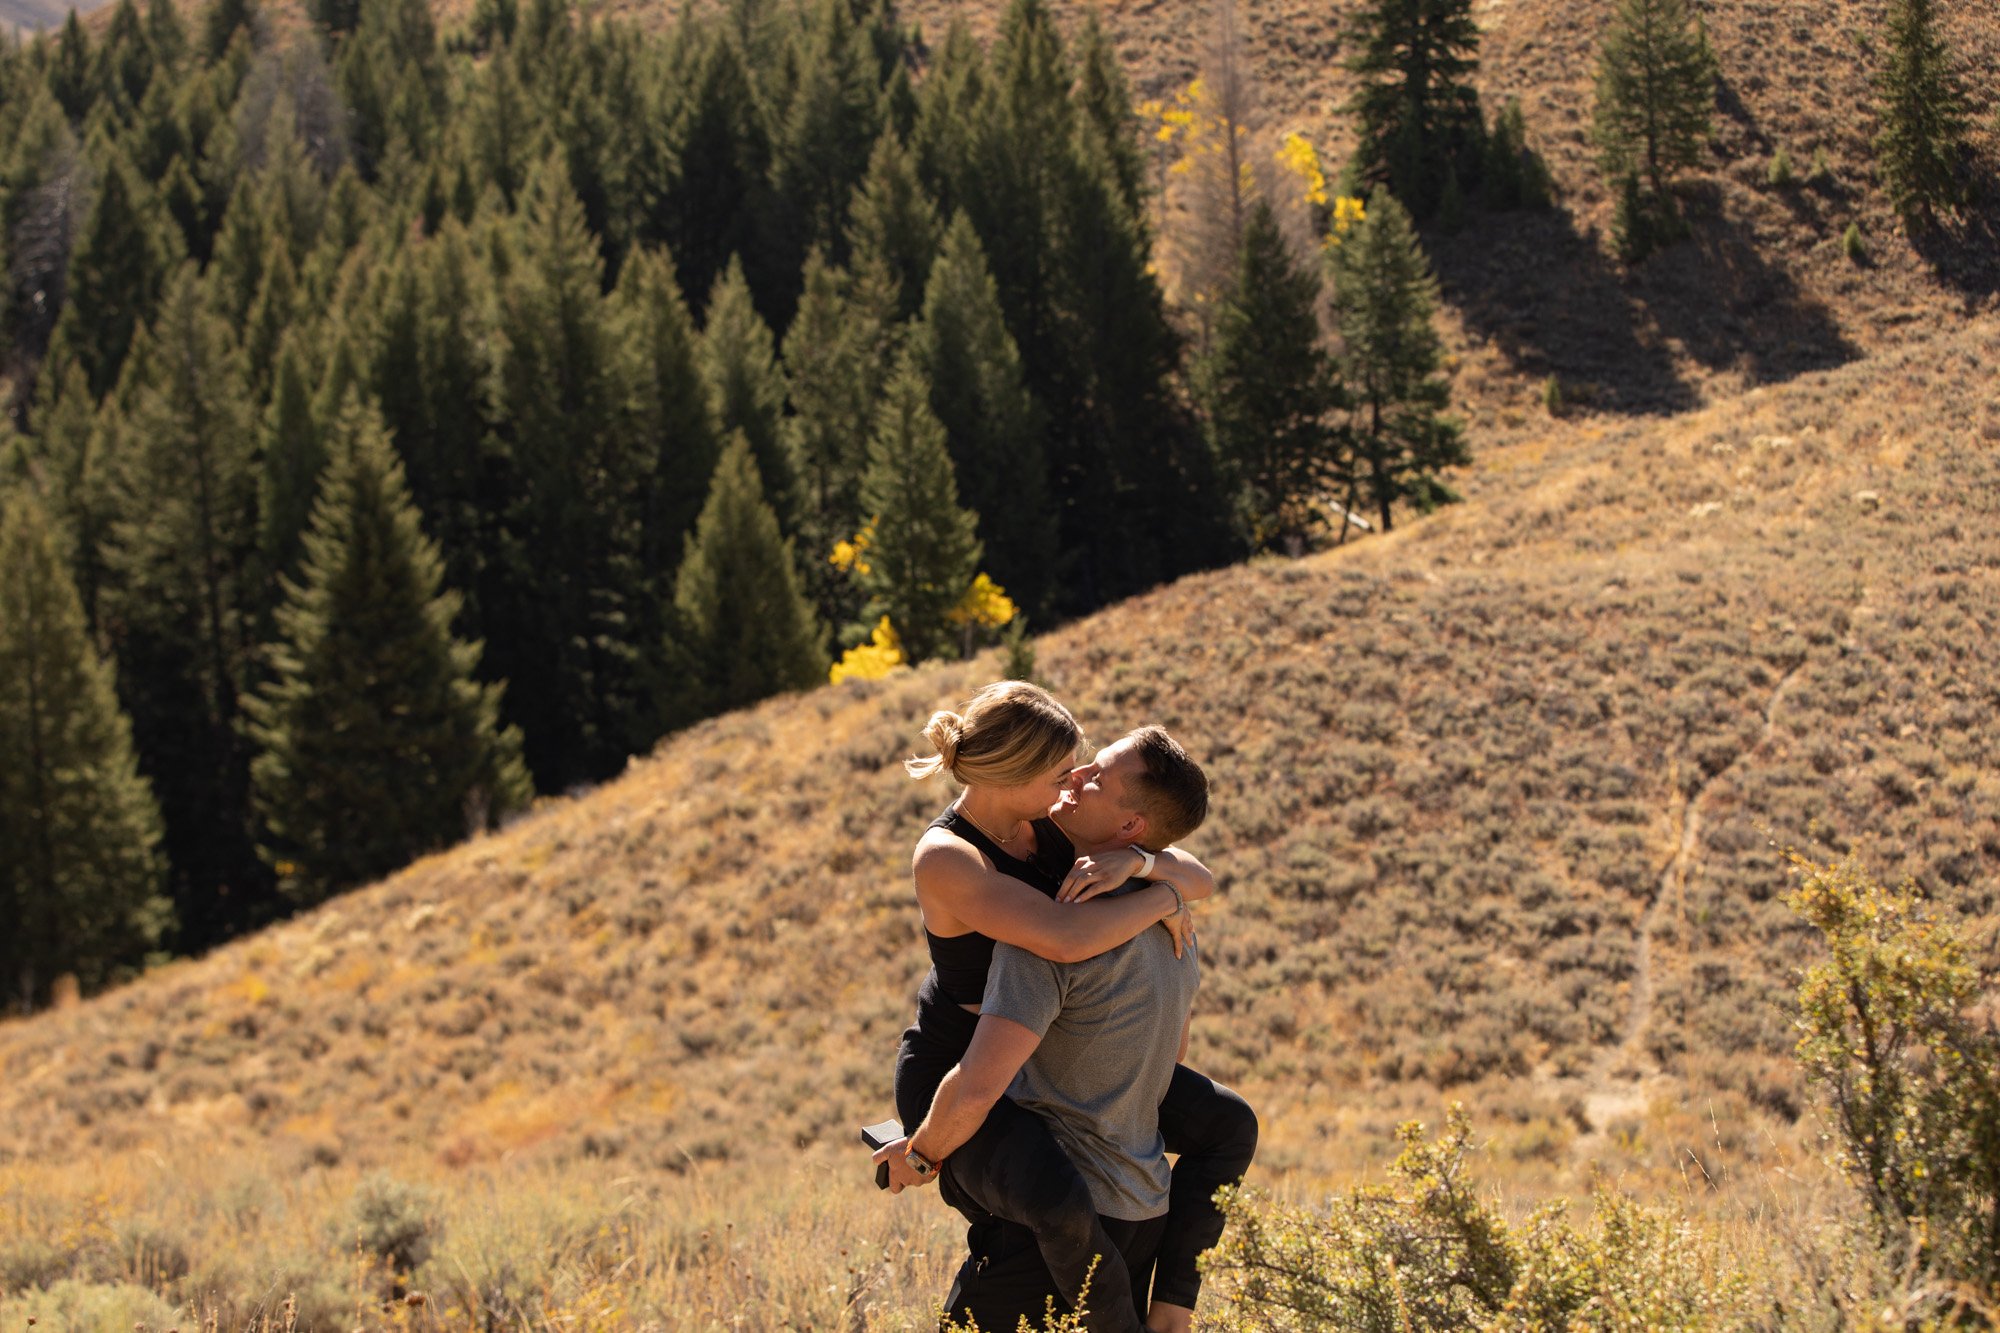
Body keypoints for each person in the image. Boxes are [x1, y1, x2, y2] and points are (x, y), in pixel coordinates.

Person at [874, 683, 1257, 1332]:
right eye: (1062, 771)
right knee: (1056, 1194)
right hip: (969, 1064)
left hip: (1051, 1047)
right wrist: (1160, 899)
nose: (1075, 780)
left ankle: (1171, 1313)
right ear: (1014, 775)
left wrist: (1140, 862)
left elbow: (1202, 875)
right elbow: (1063, 937)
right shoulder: (947, 856)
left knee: (1228, 1123)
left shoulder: (1046, 822)